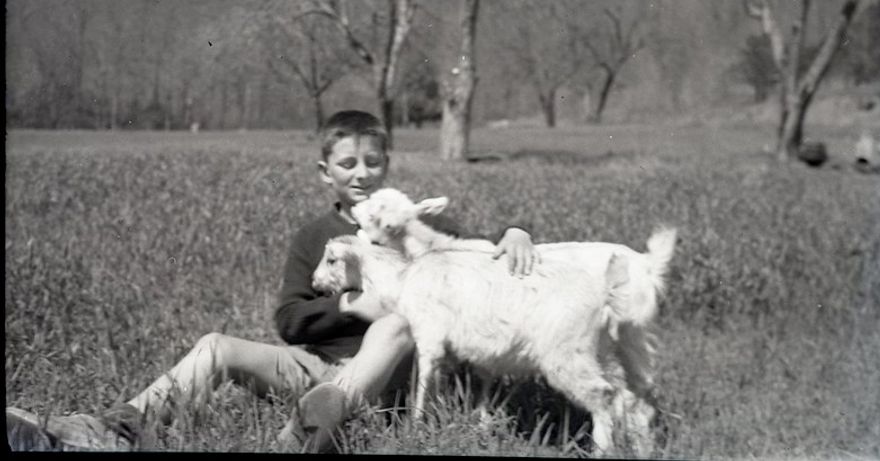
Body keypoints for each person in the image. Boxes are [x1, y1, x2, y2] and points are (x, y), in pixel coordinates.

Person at [6, 110, 539, 453]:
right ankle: (115, 428)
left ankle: (318, 424)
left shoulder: (419, 227)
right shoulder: (316, 236)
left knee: (398, 322)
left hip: (393, 376)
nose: (361, 173)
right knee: (215, 346)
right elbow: (289, 321)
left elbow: (471, 251)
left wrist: (513, 231)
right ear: (324, 172)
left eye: (373, 162)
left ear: (387, 166)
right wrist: (353, 306)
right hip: (316, 363)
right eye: (347, 163)